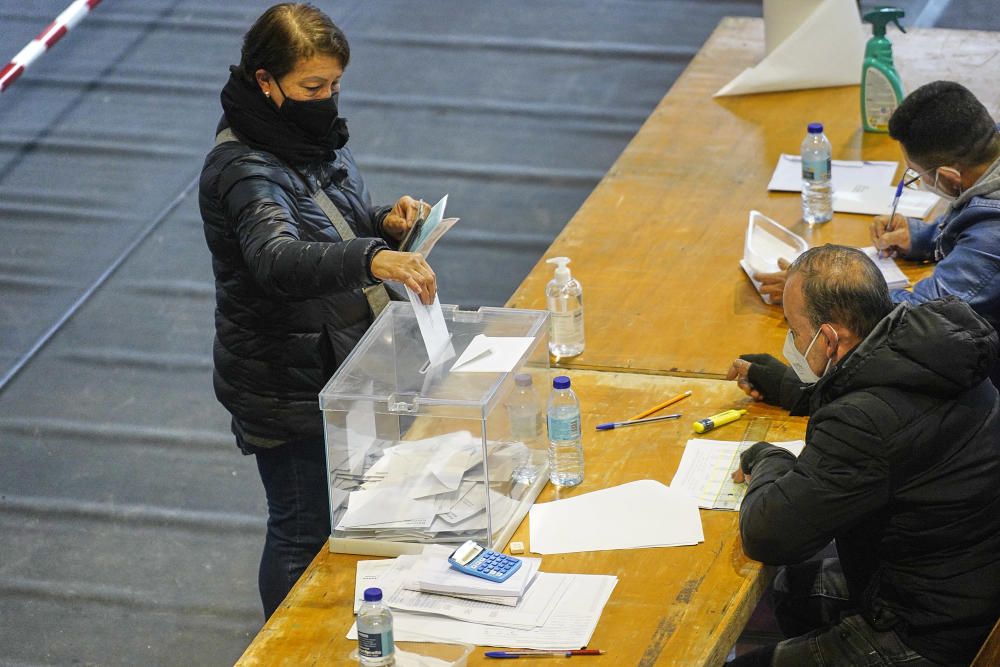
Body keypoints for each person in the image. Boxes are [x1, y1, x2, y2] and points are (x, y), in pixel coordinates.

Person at [199, 3, 437, 619]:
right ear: (265, 81)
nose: (327, 98)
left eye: (334, 85)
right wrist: (372, 258)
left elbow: (327, 220)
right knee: (302, 530)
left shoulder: (308, 137)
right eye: (312, 86)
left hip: (337, 363)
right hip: (286, 381)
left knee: (348, 513)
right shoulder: (243, 167)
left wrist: (382, 221)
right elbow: (276, 256)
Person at [725, 245, 1000, 666]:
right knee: (790, 591)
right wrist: (784, 383)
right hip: (965, 584)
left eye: (796, 332)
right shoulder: (937, 347)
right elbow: (874, 386)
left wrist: (768, 459)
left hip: (928, 630)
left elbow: (769, 535)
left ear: (829, 338)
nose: (791, 343)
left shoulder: (864, 423)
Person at [756, 83, 1000, 381]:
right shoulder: (991, 156)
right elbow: (976, 214)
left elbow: (925, 313)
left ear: (949, 177)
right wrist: (921, 236)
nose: (917, 181)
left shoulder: (993, 233)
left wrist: (816, 296)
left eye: (917, 175)